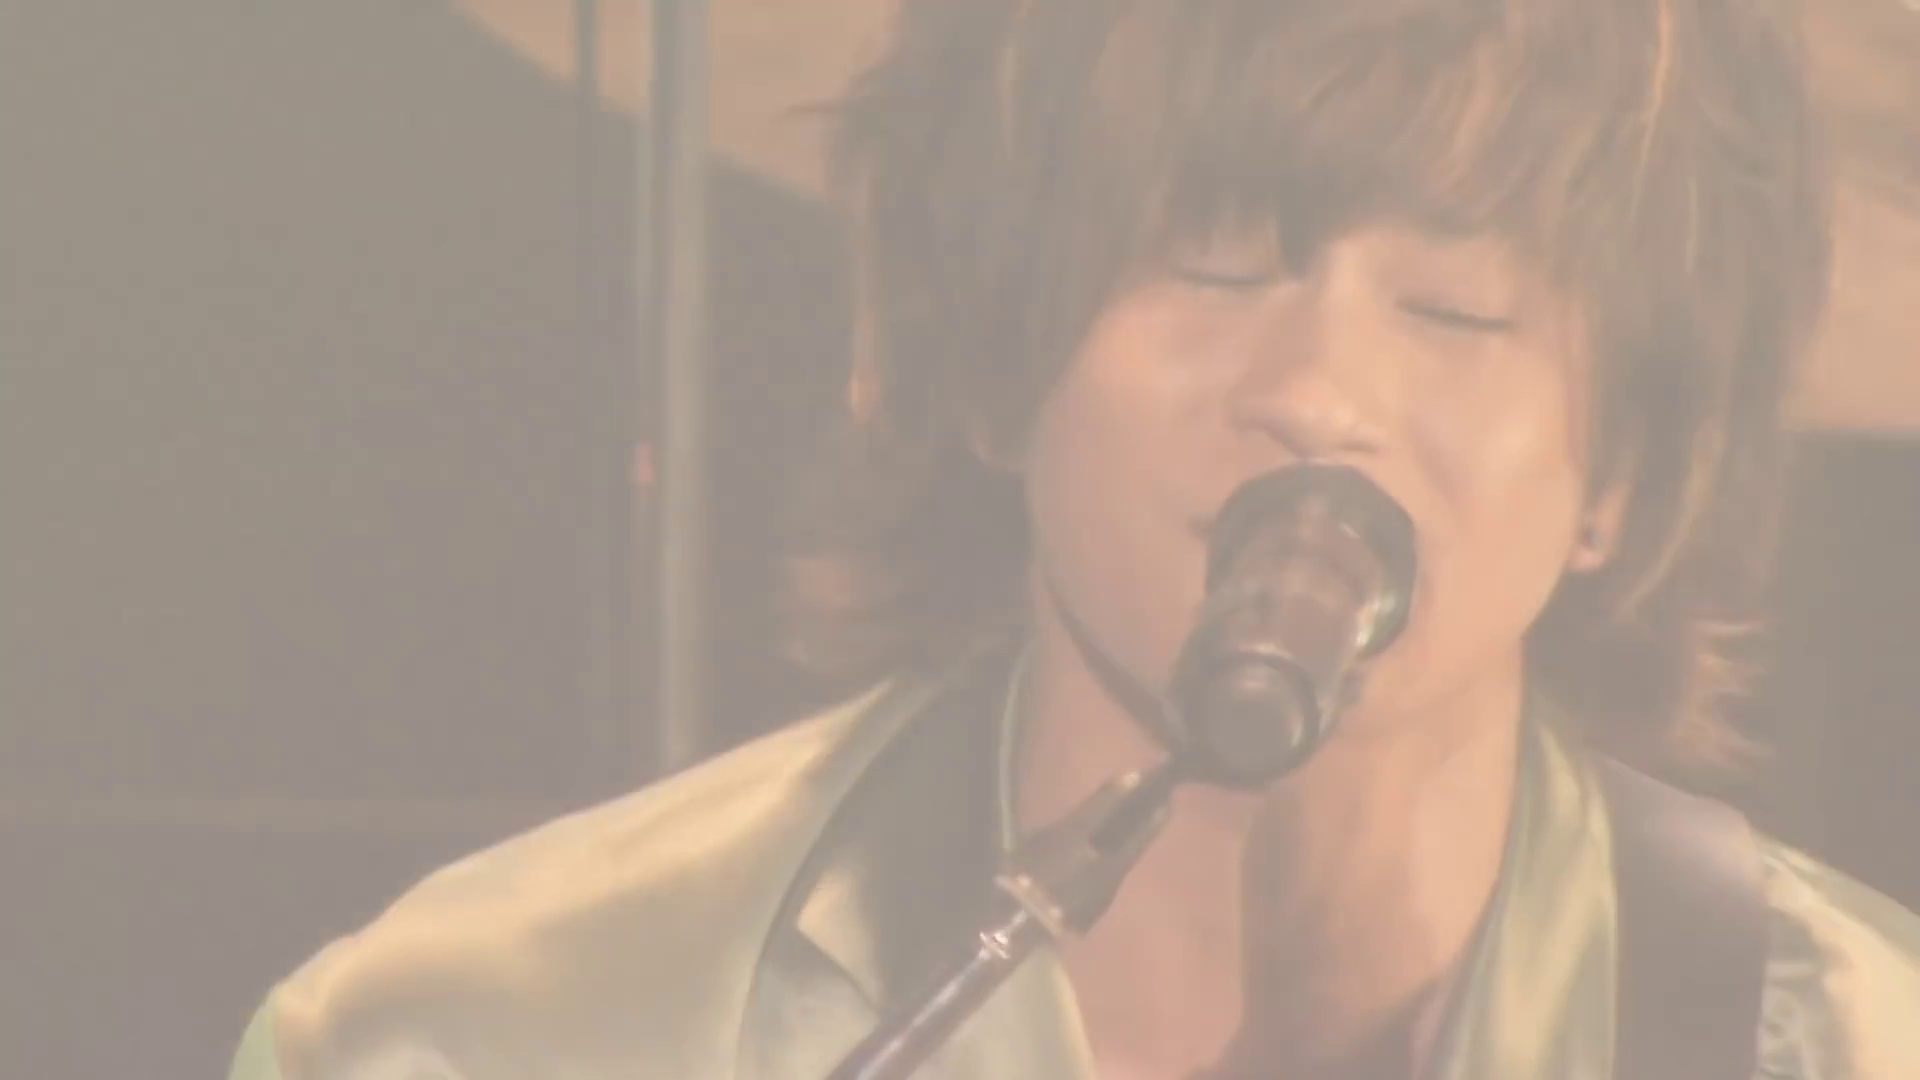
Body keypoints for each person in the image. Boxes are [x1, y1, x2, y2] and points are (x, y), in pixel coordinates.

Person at [227, 0, 1920, 1076]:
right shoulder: (509, 1029)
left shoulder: (1843, 1038)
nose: (1320, 393)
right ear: (991, 350)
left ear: (1625, 469)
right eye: (1213, 264)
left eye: (1459, 311)